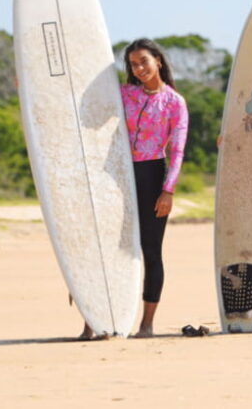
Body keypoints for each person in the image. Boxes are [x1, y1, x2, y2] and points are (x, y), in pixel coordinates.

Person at [79, 38, 188, 339]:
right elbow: (90, 108)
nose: (139, 68)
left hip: (152, 175)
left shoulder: (174, 102)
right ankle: (94, 321)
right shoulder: (125, 93)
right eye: (133, 64)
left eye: (144, 61)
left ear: (158, 61)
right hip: (117, 174)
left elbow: (178, 151)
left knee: (150, 251)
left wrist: (168, 190)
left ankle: (147, 324)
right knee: (105, 247)